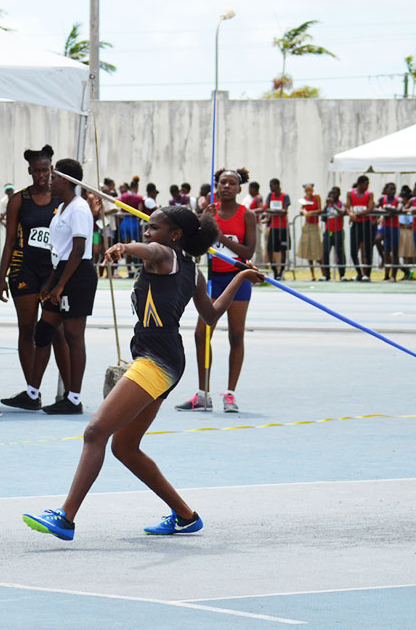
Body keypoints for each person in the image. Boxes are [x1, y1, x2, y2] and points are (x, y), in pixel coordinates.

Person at [22, 206, 263, 541]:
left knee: (95, 432)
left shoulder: (162, 255)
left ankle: (65, 517)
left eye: (154, 227)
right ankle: (185, 516)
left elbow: (150, 250)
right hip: (163, 357)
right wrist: (240, 278)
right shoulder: (193, 272)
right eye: (146, 228)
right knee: (125, 447)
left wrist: (125, 247)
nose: (147, 232)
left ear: (175, 235)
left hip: (156, 359)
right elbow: (211, 315)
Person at [175, 168, 257, 413]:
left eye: (232, 183)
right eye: (223, 182)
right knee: (202, 334)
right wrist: (203, 222)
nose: (227, 187)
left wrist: (220, 235)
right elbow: (194, 247)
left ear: (239, 188)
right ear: (216, 185)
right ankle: (203, 394)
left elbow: (248, 252)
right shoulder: (210, 213)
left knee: (236, 336)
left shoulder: (247, 215)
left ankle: (230, 393)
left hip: (238, 279)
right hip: (215, 280)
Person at [0, 145, 72, 411]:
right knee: (27, 328)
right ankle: (32, 391)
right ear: (29, 171)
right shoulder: (19, 199)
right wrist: (0, 275)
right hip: (24, 268)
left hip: (52, 271)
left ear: (52, 170)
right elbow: (9, 242)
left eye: (45, 170)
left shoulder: (61, 199)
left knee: (56, 331)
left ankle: (68, 393)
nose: (41, 176)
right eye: (36, 171)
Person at [25, 159, 99, 415]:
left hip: (77, 275)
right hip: (62, 271)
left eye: (54, 176)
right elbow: (61, 248)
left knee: (73, 336)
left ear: (66, 181)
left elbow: (78, 248)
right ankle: (32, 392)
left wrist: (62, 285)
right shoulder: (63, 207)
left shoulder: (78, 209)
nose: (49, 179)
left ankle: (74, 398)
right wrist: (51, 282)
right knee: (44, 330)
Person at [347, 176, 375, 281]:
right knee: (353, 250)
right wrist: (350, 214)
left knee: (368, 250)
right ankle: (359, 273)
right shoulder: (350, 193)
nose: (367, 186)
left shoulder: (369, 194)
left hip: (366, 223)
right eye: (366, 184)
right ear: (360, 184)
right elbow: (347, 207)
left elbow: (370, 208)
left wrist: (356, 214)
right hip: (356, 224)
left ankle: (367, 274)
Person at [296, 183, 323, 281]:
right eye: (307, 190)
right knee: (308, 251)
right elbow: (301, 210)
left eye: (310, 190)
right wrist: (304, 212)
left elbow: (320, 210)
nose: (309, 192)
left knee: (317, 250)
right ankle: (312, 275)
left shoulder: (317, 197)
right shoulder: (304, 199)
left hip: (315, 226)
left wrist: (311, 213)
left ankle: (324, 273)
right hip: (307, 226)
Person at [321, 186, 346, 282]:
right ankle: (327, 274)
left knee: (340, 253)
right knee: (325, 252)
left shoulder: (341, 204)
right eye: (331, 194)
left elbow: (342, 212)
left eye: (334, 193)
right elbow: (323, 214)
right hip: (328, 231)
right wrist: (327, 205)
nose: (332, 195)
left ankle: (342, 274)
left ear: (338, 194)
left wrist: (333, 205)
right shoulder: (328, 205)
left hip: (338, 231)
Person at [265, 178, 289, 279]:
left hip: (283, 227)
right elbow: (266, 208)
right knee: (270, 249)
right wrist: (277, 211)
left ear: (277, 185)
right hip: (273, 227)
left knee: (283, 250)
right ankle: (274, 270)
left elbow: (285, 211)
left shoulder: (285, 196)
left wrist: (274, 211)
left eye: (271, 185)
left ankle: (282, 271)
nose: (270, 188)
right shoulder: (270, 196)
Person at [377, 182, 401, 281]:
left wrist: (390, 210)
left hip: (394, 227)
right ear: (386, 190)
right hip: (385, 226)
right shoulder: (382, 199)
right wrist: (385, 212)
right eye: (391, 189)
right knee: (377, 240)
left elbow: (399, 209)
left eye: (394, 189)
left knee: (394, 253)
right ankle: (382, 258)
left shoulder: (397, 200)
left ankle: (393, 276)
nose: (393, 191)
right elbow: (375, 207)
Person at [398, 184, 416, 277]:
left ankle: (410, 272)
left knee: (409, 254)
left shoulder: (410, 209)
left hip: (408, 232)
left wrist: (402, 225)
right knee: (403, 254)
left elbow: (412, 224)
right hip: (401, 232)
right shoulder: (401, 208)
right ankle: (406, 272)